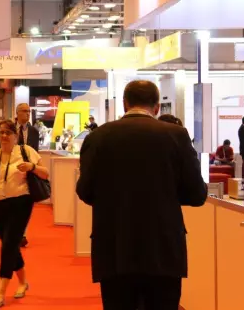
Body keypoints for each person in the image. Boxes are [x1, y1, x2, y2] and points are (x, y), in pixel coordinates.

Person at [77, 80, 207, 310]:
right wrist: (167, 195)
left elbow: (85, 191)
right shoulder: (177, 135)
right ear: (156, 107)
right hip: (163, 246)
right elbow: (197, 194)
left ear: (125, 104)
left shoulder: (98, 136)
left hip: (114, 245)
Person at [0, 120, 49, 308]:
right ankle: (23, 282)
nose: (4, 136)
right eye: (1, 133)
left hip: (21, 202)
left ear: (15, 135)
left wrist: (32, 167)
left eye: (8, 132)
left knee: (8, 246)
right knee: (10, 245)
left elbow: (45, 174)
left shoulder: (27, 151)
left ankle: (0, 292)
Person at [15, 103, 39, 248]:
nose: (27, 113)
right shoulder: (10, 129)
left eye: (29, 111)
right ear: (17, 113)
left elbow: (36, 152)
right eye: (24, 111)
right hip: (13, 171)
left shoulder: (34, 132)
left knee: (25, 204)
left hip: (29, 172)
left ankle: (22, 234)